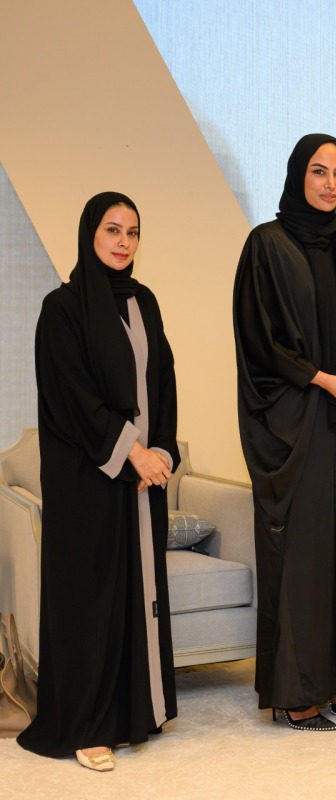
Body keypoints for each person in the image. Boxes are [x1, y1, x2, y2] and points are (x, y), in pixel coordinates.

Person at [233, 134, 336, 731]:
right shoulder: (267, 246)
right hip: (300, 422)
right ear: (297, 176)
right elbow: (260, 342)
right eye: (319, 171)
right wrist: (320, 379)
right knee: (302, 551)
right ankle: (297, 692)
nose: (331, 183)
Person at [17, 192, 179, 771]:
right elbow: (72, 397)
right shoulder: (60, 309)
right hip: (87, 480)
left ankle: (136, 713)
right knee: (89, 600)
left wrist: (159, 452)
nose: (123, 242)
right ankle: (85, 726)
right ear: (91, 234)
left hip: (138, 480)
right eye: (113, 230)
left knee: (138, 595)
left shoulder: (144, 302)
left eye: (133, 232)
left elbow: (163, 380)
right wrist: (130, 453)